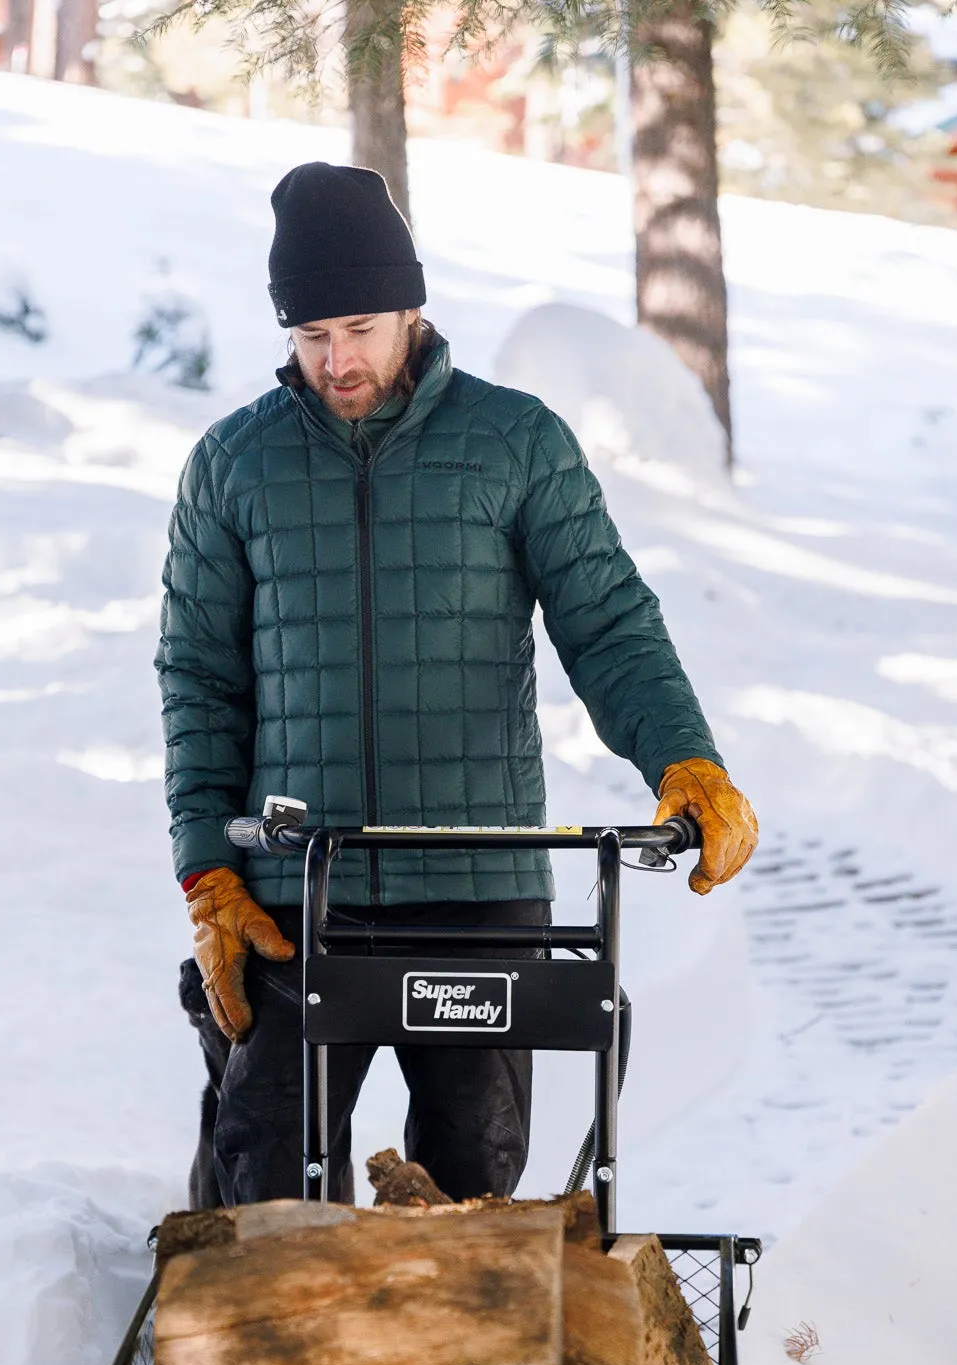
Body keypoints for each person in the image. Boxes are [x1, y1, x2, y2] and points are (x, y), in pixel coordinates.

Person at [157, 161, 758, 1208]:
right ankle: (251, 1364)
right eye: (311, 338)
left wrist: (684, 759)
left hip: (478, 883)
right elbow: (201, 679)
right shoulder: (233, 465)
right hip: (299, 893)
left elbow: (606, 619)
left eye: (358, 328)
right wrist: (210, 872)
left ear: (411, 307)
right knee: (261, 1176)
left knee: (473, 1185)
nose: (337, 360)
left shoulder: (515, 443)